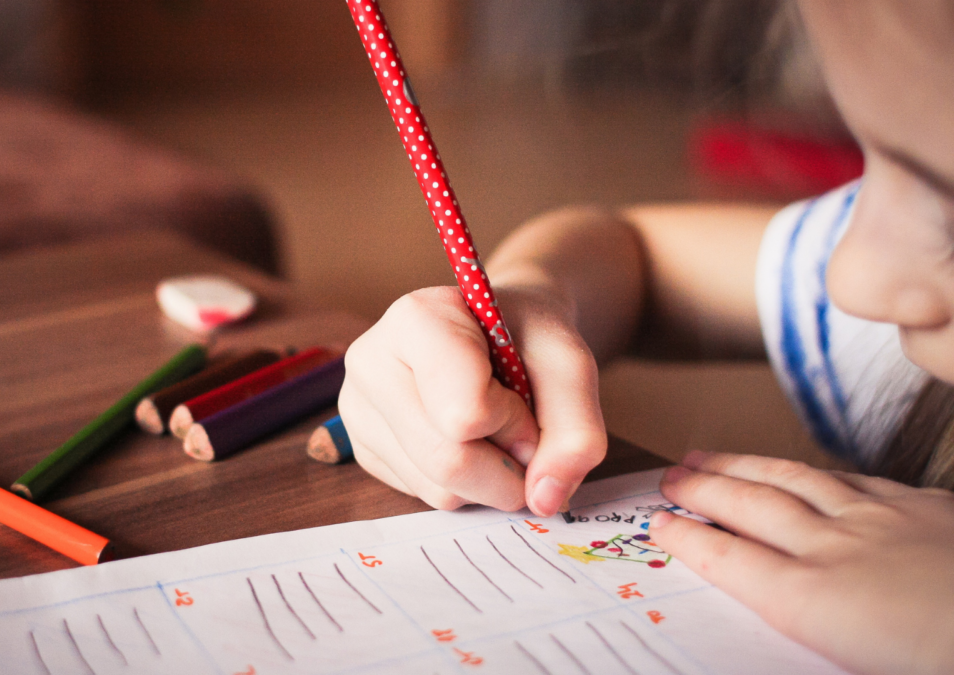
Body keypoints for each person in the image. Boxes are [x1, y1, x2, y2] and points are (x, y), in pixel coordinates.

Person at [337, 1, 954, 673]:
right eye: (867, 169)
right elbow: (638, 255)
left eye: (950, 211)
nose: (849, 276)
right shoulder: (897, 282)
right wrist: (533, 301)